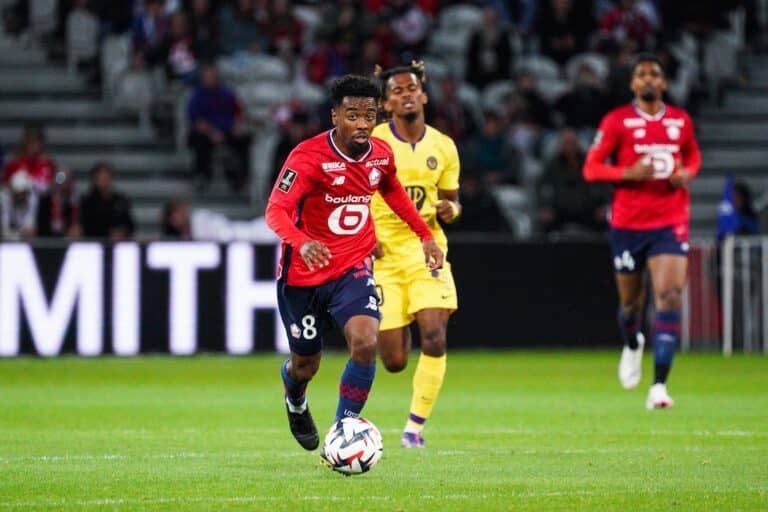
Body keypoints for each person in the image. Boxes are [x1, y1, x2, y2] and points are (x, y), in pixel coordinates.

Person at [265, 75, 443, 452]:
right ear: (335, 116)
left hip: (353, 266)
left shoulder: (381, 154)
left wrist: (424, 234)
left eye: (369, 115)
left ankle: (343, 431)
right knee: (305, 365)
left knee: (365, 342)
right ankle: (295, 398)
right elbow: (275, 211)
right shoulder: (307, 157)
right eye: (352, 116)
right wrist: (302, 241)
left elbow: (392, 190)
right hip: (304, 276)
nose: (362, 124)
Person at [583, 54, 701, 410]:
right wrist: (626, 173)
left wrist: (687, 174)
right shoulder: (616, 121)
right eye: (641, 74)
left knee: (669, 295)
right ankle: (632, 341)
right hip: (628, 224)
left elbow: (693, 156)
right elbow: (591, 168)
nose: (648, 79)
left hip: (669, 220)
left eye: (655, 74)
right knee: (631, 304)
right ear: (633, 84)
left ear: (663, 83)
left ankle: (659, 386)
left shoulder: (680, 120)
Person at [370, 61, 460, 448]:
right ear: (386, 104)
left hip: (428, 250)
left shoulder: (443, 145)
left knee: (435, 337)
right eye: (397, 91)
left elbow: (453, 199)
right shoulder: (373, 143)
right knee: (393, 362)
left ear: (423, 95)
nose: (406, 95)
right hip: (384, 255)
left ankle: (414, 429)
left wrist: (451, 210)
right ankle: (402, 315)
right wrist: (364, 235)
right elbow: (352, 194)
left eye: (412, 88)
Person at [186, 63, 252, 191]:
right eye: (207, 77)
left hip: (228, 131)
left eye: (213, 76)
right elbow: (197, 121)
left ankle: (240, 179)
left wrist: (237, 126)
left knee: (244, 139)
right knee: (200, 140)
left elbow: (239, 112)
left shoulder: (227, 93)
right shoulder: (196, 96)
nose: (210, 79)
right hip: (207, 133)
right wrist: (212, 133)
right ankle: (202, 176)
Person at [79, 162, 136, 240]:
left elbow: (130, 225)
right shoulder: (86, 202)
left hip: (118, 243)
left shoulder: (120, 200)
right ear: (94, 180)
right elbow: (85, 226)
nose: (104, 182)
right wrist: (108, 233)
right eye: (100, 178)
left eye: (106, 178)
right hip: (94, 242)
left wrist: (122, 231)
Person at [2, 124, 56, 193]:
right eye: (31, 142)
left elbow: (53, 188)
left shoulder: (48, 164)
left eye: (38, 142)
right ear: (25, 142)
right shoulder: (13, 164)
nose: (35, 147)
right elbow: (4, 187)